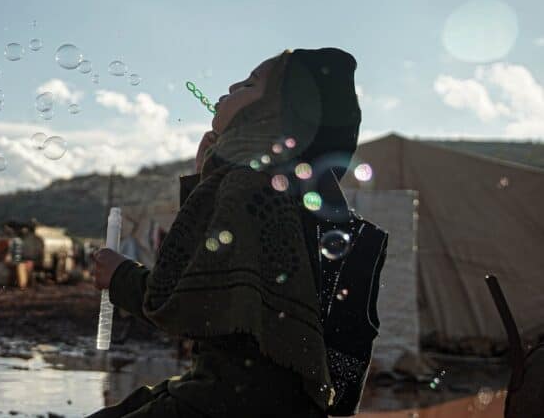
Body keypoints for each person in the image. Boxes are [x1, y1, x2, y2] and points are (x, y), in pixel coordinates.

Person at [90, 48, 388, 417]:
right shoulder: (303, 194)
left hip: (226, 401)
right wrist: (205, 179)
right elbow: (222, 269)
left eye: (249, 84)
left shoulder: (248, 187)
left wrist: (117, 275)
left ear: (273, 114)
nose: (231, 85)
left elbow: (184, 303)